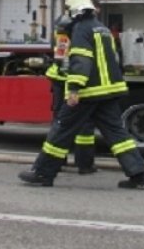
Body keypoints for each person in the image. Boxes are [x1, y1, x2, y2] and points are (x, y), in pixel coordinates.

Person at [19, 0, 144, 188]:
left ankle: (42, 173)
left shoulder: (81, 29)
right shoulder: (102, 29)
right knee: (117, 134)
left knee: (61, 129)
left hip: (88, 92)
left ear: (74, 11)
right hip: (109, 91)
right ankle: (139, 174)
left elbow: (81, 61)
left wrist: (73, 88)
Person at [46, 13, 97, 174]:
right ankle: (84, 164)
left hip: (60, 80)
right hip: (71, 82)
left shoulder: (63, 28)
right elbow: (67, 61)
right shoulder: (74, 32)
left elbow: (60, 57)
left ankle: (57, 162)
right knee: (84, 124)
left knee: (61, 123)